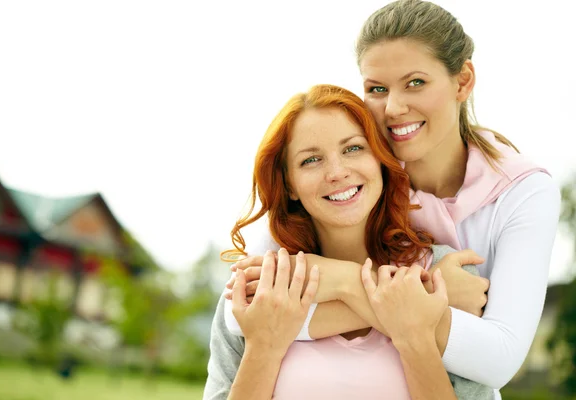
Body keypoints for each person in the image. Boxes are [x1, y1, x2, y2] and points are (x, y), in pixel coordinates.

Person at [224, 0, 561, 398]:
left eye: (415, 82)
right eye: (377, 89)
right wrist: (431, 294)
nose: (395, 108)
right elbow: (242, 314)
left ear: (463, 80)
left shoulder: (521, 192)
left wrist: (346, 281)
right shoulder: (353, 180)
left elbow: (499, 359)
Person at [204, 83, 492, 400]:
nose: (337, 172)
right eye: (310, 160)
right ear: (289, 185)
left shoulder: (443, 273)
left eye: (353, 148)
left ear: (381, 160)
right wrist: (265, 347)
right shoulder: (258, 288)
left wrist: (413, 335)